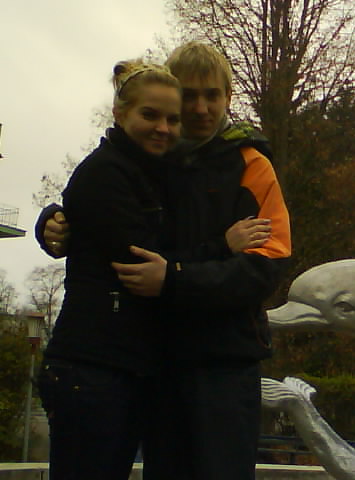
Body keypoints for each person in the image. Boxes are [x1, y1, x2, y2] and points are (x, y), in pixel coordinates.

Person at [37, 42, 292, 480]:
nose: (200, 108)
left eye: (212, 95)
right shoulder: (153, 159)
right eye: (189, 96)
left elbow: (263, 269)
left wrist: (174, 279)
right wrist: (56, 220)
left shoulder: (251, 166)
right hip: (159, 361)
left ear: (229, 97)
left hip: (223, 363)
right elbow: (106, 211)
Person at [36, 59, 182, 480]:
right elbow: (140, 256)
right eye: (150, 115)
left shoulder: (151, 173)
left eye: (173, 119)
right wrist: (223, 247)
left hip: (121, 369)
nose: (163, 128)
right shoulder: (106, 173)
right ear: (119, 113)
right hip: (93, 369)